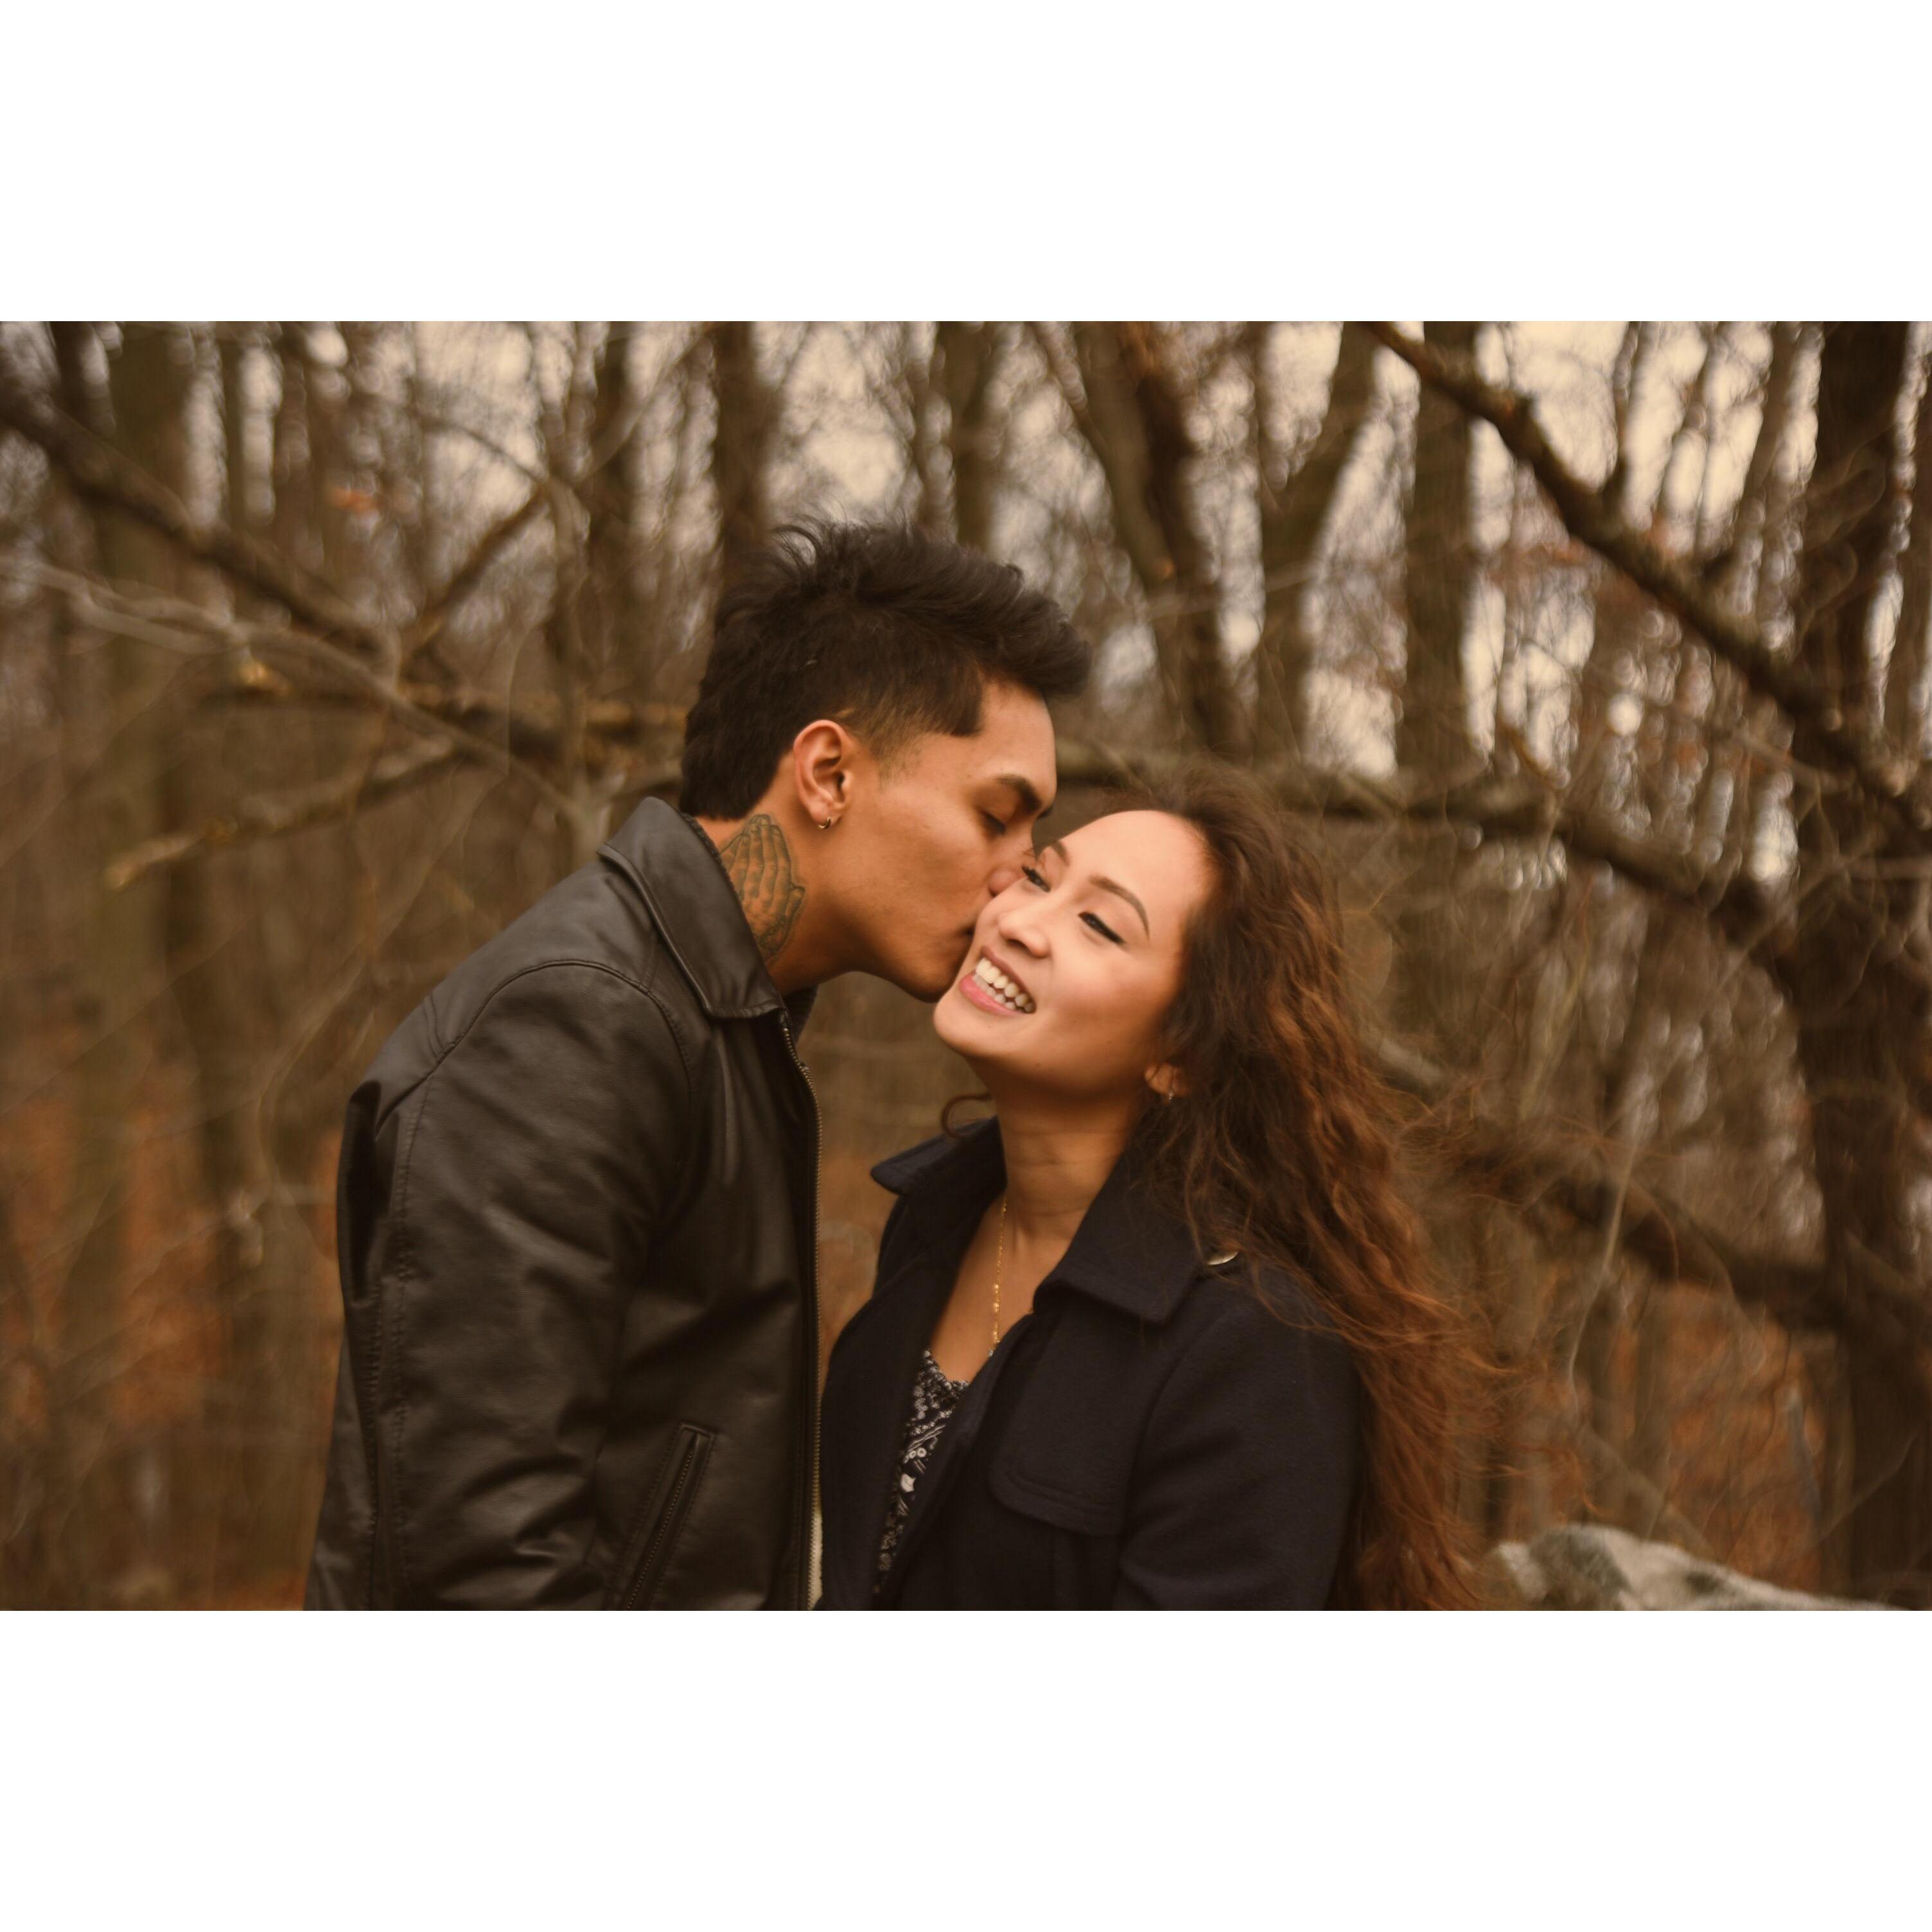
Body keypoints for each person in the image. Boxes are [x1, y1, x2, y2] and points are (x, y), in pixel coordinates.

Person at [305, 520, 1089, 1608]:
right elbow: (472, 1571)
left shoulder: (724, 1023)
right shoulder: (575, 1025)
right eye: (996, 816)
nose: (1017, 878)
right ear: (828, 773)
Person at [818, 765, 1480, 1609]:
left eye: (1099, 925)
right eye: (1038, 878)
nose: (1019, 922)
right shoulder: (933, 1217)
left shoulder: (1253, 1348)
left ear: (1180, 1057)